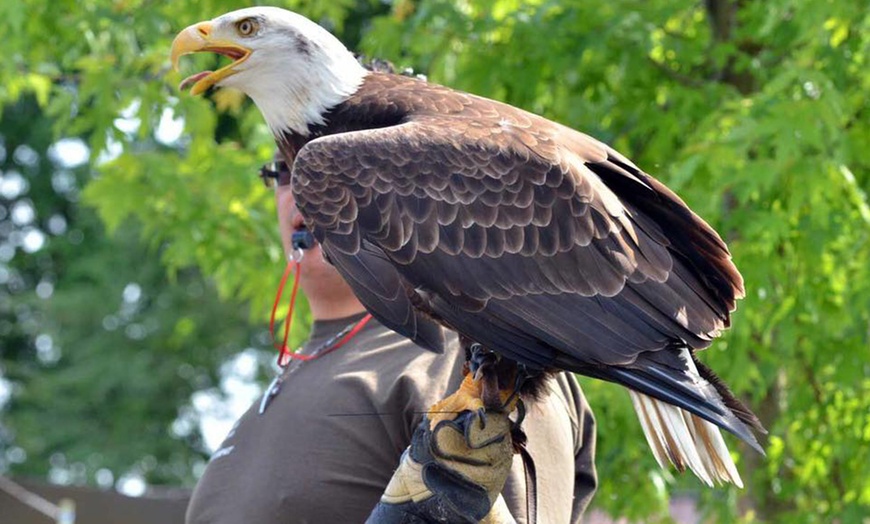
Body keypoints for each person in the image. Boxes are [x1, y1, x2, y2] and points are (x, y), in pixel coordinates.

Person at [184, 160, 597, 523]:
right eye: (286, 171)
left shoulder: (480, 349)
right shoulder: (277, 384)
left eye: (324, 164)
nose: (304, 188)